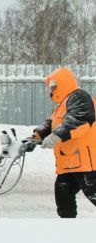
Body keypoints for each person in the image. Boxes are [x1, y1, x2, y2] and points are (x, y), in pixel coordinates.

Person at [32, 67, 96, 218]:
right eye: (50, 86)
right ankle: (68, 228)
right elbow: (52, 123)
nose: (51, 89)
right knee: (62, 195)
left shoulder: (79, 96)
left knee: (92, 193)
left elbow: (79, 121)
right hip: (69, 163)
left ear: (64, 82)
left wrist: (57, 137)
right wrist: (39, 134)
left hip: (86, 163)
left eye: (54, 85)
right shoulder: (61, 104)